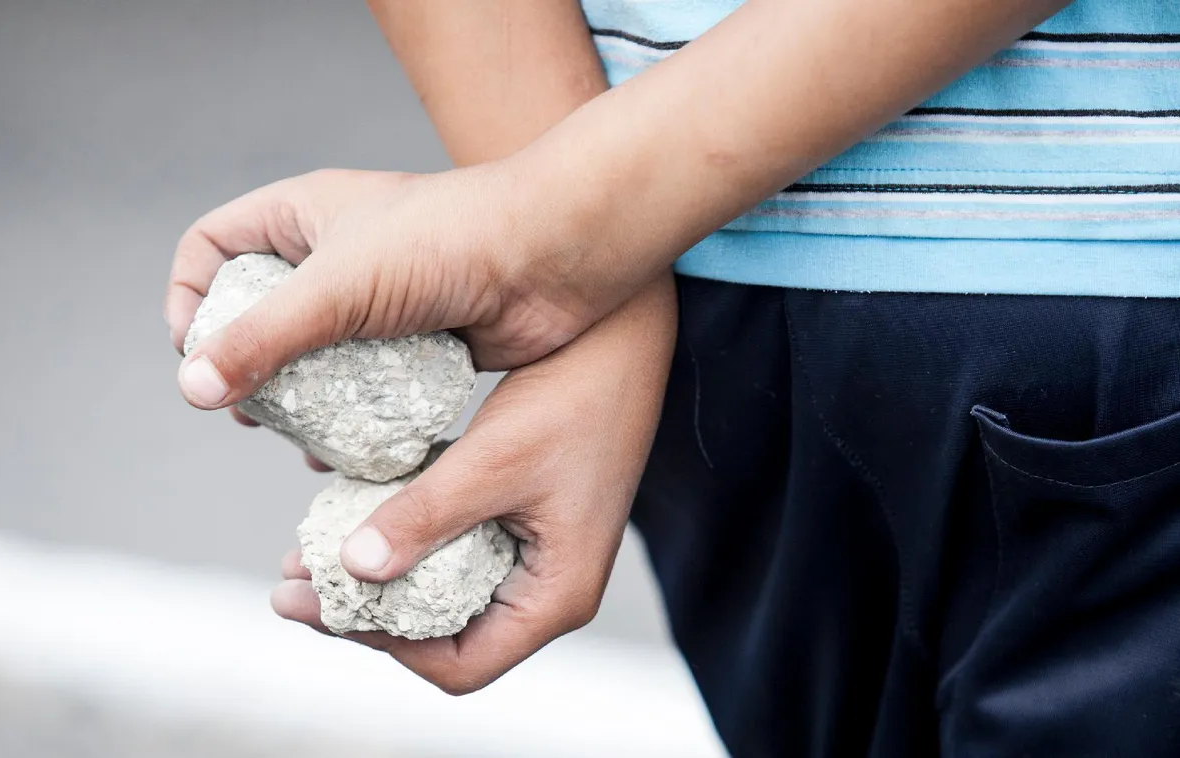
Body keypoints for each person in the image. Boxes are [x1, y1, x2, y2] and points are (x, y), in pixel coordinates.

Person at [164, 1, 1180, 754]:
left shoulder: (596, 261)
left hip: (707, 285)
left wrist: (566, 241)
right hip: (1096, 286)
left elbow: (570, 236)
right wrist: (566, 249)